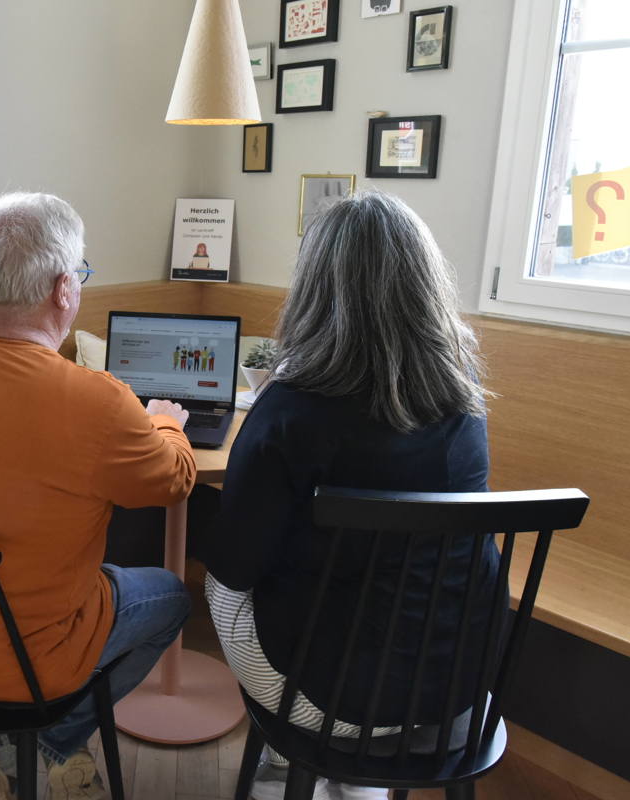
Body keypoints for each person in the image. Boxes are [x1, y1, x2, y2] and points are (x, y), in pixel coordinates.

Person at [0, 191, 197, 800]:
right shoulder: (95, 400)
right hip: (22, 664)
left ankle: (20, 742)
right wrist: (165, 422)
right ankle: (54, 739)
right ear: (63, 290)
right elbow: (173, 481)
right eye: (80, 274)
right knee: (171, 594)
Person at [199, 192, 496, 800]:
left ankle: (306, 760)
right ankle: (350, 782)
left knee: (219, 581)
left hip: (327, 693)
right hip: (458, 681)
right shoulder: (464, 405)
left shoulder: (289, 410)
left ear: (314, 289)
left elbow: (236, 564)